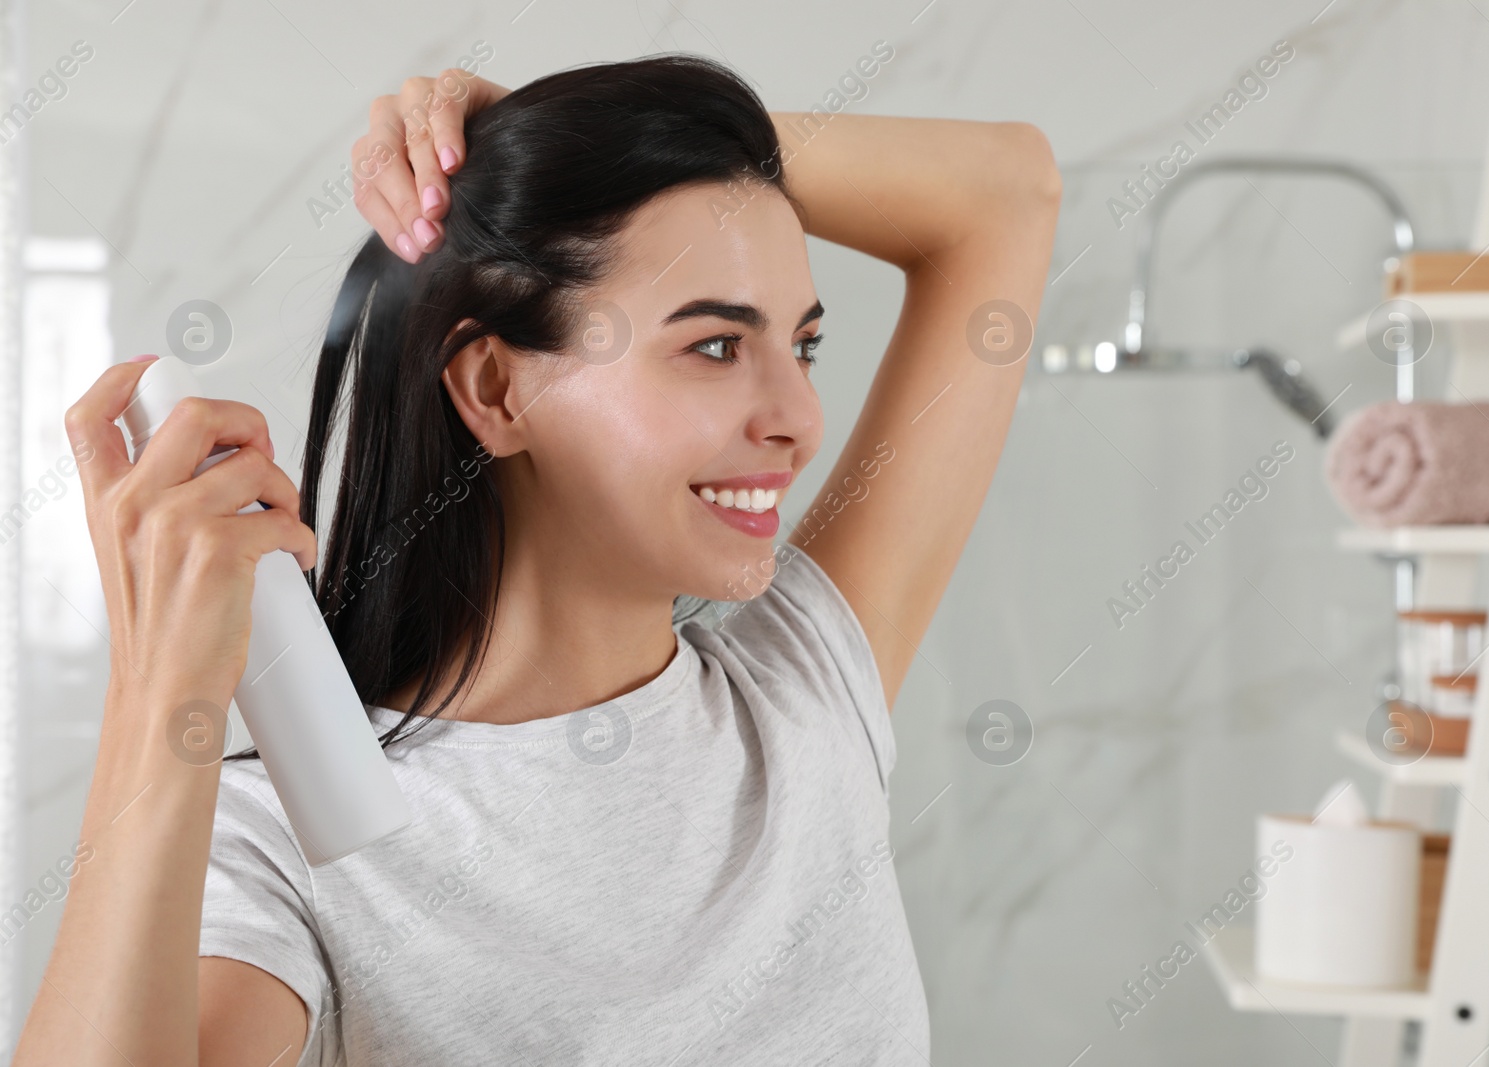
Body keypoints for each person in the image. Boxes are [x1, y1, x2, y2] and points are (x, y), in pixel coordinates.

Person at [15, 53, 1059, 1065]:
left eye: (805, 343)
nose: (800, 417)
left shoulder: (803, 693)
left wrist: (564, 142)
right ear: (496, 389)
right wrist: (159, 704)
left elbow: (1008, 193)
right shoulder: (294, 848)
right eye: (714, 345)